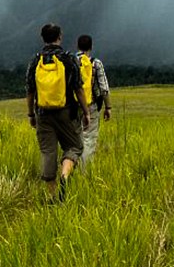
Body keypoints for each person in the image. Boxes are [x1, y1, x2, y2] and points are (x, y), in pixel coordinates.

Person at [25, 23, 91, 201]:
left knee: (48, 151)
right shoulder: (68, 59)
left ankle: (52, 195)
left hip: (43, 113)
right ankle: (65, 175)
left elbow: (30, 91)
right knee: (75, 146)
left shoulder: (35, 60)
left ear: (42, 38)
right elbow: (79, 89)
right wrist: (86, 112)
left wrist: (31, 114)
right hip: (67, 112)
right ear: (60, 37)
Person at [76, 34, 112, 165]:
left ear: (77, 46)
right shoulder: (96, 63)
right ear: (91, 46)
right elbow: (104, 88)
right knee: (89, 139)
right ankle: (84, 173)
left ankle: (69, 169)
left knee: (75, 139)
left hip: (73, 107)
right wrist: (108, 107)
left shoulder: (70, 61)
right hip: (90, 105)